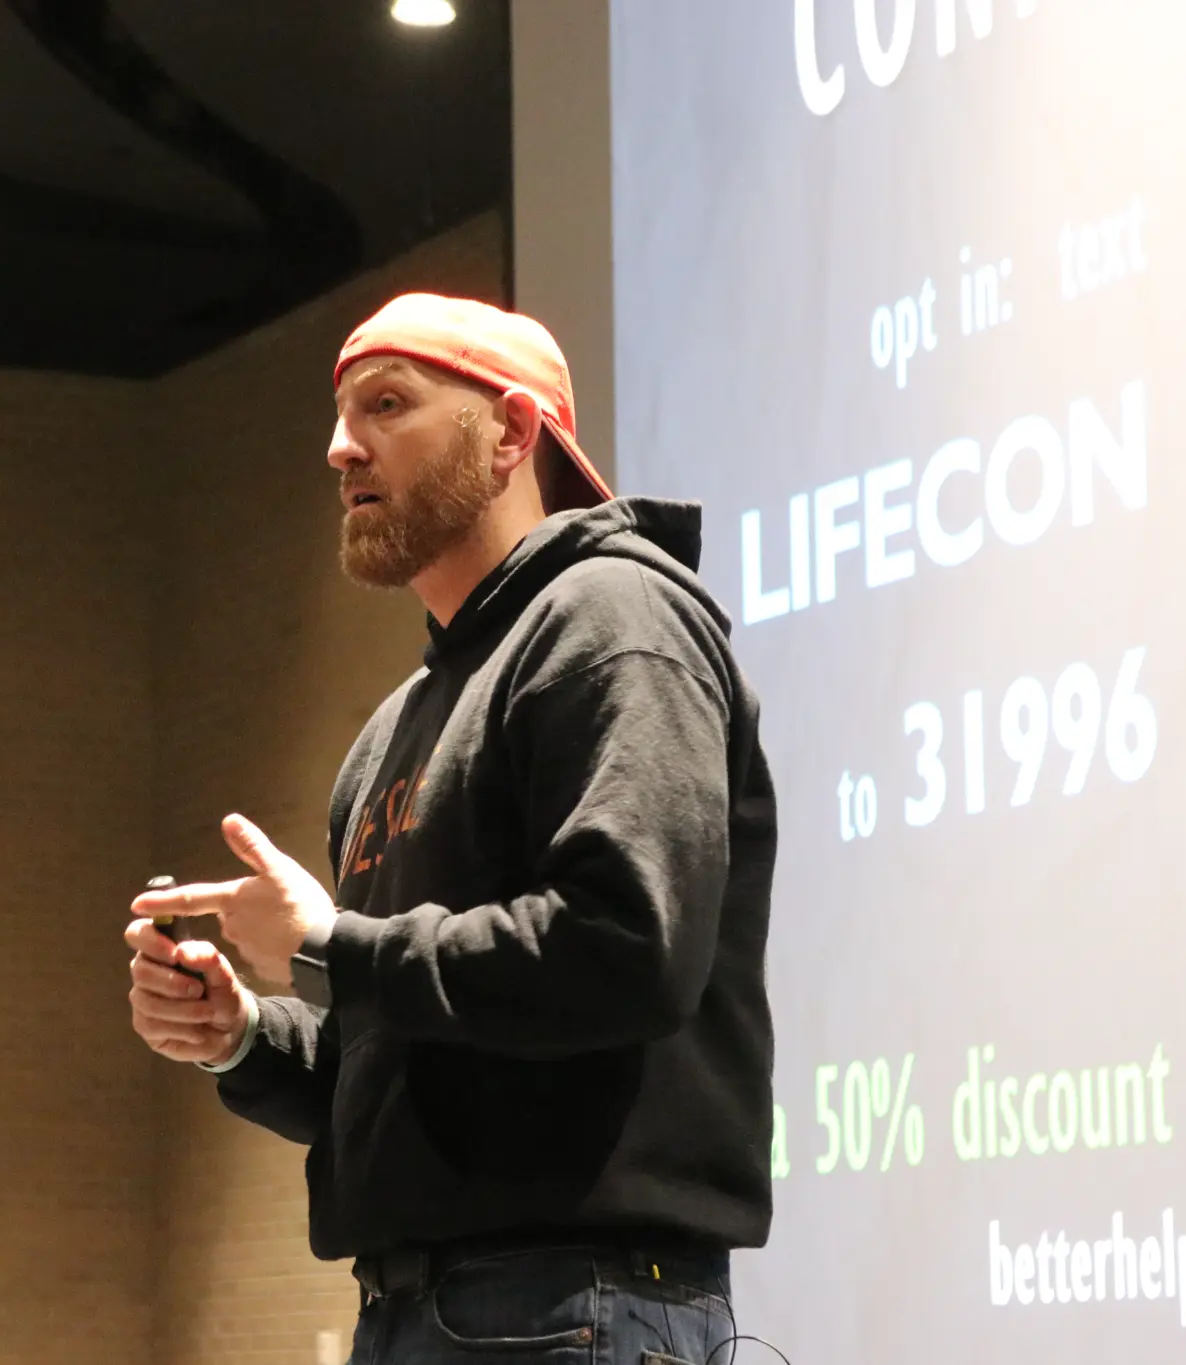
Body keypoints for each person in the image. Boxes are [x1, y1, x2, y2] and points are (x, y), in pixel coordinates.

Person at [124, 292, 776, 1365]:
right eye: (338, 417)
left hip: (573, 1306)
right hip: (420, 1313)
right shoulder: (392, 732)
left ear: (512, 433)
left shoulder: (611, 617)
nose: (340, 449)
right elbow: (386, 1053)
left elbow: (623, 949)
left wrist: (332, 945)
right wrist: (240, 1030)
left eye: (386, 405)